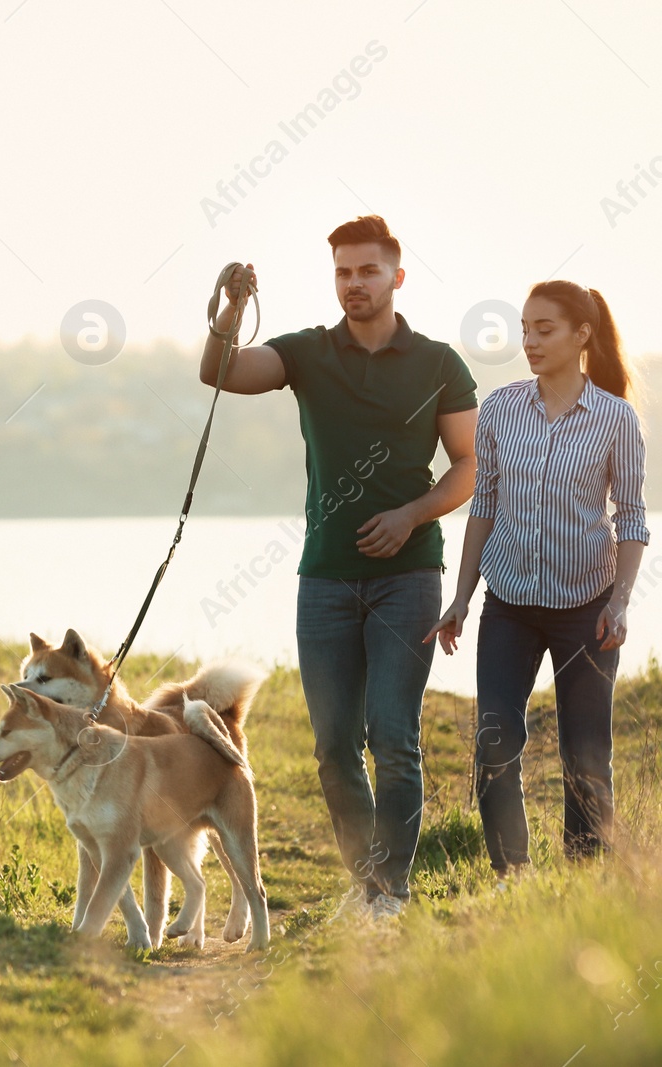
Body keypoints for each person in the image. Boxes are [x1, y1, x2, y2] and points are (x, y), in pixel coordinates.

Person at [198, 215, 478, 921]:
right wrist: (231, 307)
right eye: (343, 272)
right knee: (332, 747)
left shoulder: (439, 362)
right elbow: (220, 371)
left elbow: (471, 464)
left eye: (367, 271)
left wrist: (411, 515)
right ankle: (368, 882)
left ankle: (392, 892)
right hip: (324, 576)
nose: (354, 283)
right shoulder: (307, 354)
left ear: (396, 277)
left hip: (408, 574)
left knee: (393, 735)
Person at [425, 279, 648, 876]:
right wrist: (461, 599)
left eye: (543, 330)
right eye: (524, 329)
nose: (529, 341)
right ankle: (512, 876)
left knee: (586, 754)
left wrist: (620, 604)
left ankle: (584, 879)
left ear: (582, 335)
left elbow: (632, 518)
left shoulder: (615, 419)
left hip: (587, 609)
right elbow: (484, 509)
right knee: (494, 742)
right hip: (511, 607)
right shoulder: (500, 410)